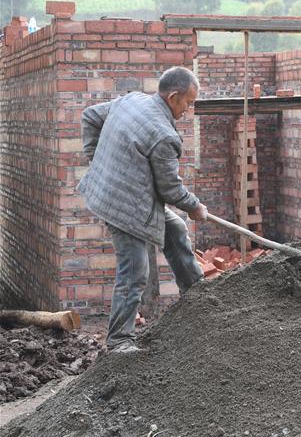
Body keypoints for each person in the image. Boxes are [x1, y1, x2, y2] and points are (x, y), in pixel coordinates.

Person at [78, 66, 208, 353]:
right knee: (136, 270)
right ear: (173, 96)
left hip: (129, 196)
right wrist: (195, 207)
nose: (188, 110)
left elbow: (89, 116)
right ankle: (120, 341)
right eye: (188, 102)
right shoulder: (164, 135)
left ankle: (198, 295)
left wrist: (96, 160)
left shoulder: (132, 100)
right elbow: (170, 190)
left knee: (174, 228)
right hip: (123, 208)